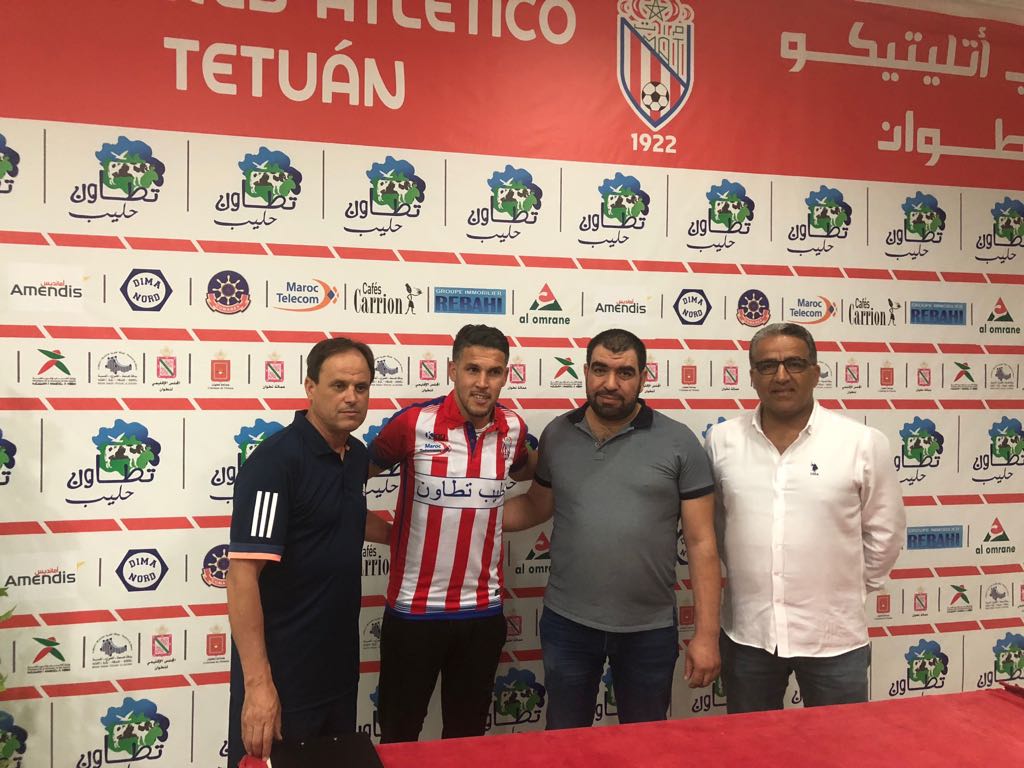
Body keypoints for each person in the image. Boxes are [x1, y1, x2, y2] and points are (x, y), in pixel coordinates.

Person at [503, 328, 721, 729]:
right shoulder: (557, 434)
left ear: (643, 378)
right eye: (600, 370)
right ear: (585, 371)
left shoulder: (678, 442)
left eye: (624, 373)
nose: (610, 383)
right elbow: (536, 505)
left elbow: (701, 542)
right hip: (567, 623)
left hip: (648, 629)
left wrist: (706, 635)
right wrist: (464, 514)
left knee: (644, 744)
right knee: (565, 741)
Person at [705, 323, 905, 713]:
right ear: (752, 376)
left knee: (839, 744)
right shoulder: (722, 441)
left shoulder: (861, 443)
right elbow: (715, 528)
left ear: (815, 372)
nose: (781, 376)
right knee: (752, 744)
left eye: (794, 364)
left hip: (833, 637)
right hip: (749, 635)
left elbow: (886, 533)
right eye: (768, 366)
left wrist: (844, 590)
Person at [226, 337, 390, 765]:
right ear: (310, 387)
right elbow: (242, 575)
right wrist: (259, 685)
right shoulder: (276, 462)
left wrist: (412, 536)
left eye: (361, 387)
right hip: (284, 678)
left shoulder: (355, 456)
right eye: (339, 386)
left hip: (338, 672)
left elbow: (342, 516)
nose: (351, 397)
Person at [368, 324, 534, 742]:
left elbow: (531, 475)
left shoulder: (513, 429)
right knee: (399, 737)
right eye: (472, 369)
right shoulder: (413, 423)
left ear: (506, 375)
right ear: (452, 369)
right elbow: (343, 482)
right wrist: (389, 533)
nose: (482, 383)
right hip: (414, 612)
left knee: (466, 739)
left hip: (482, 613)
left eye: (493, 372)